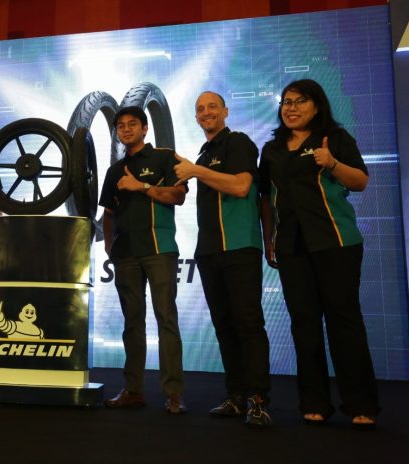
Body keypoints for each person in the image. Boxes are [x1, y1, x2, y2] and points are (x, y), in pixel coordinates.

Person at [259, 79, 380, 429]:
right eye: (286, 102)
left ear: (316, 106)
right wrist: (269, 239)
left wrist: (332, 163)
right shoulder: (272, 149)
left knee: (344, 322)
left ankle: (361, 404)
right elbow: (265, 198)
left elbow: (360, 181)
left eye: (300, 101)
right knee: (304, 325)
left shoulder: (335, 139)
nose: (291, 108)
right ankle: (314, 403)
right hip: (291, 246)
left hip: (336, 242)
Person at [174, 91, 272, 427]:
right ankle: (236, 396)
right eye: (200, 109)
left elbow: (242, 187)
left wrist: (196, 171)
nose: (206, 112)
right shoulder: (203, 154)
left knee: (248, 324)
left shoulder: (238, 142)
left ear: (225, 111)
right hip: (209, 252)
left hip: (240, 247)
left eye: (212, 106)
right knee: (225, 327)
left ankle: (258, 401)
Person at [99, 106, 188, 414]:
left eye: (132, 124)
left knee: (167, 320)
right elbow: (108, 214)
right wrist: (109, 246)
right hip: (125, 255)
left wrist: (142, 186)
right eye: (121, 126)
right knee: (132, 324)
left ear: (145, 128)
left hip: (159, 249)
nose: (126, 129)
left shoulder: (164, 157)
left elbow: (178, 196)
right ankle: (133, 390)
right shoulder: (114, 170)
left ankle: (174, 394)